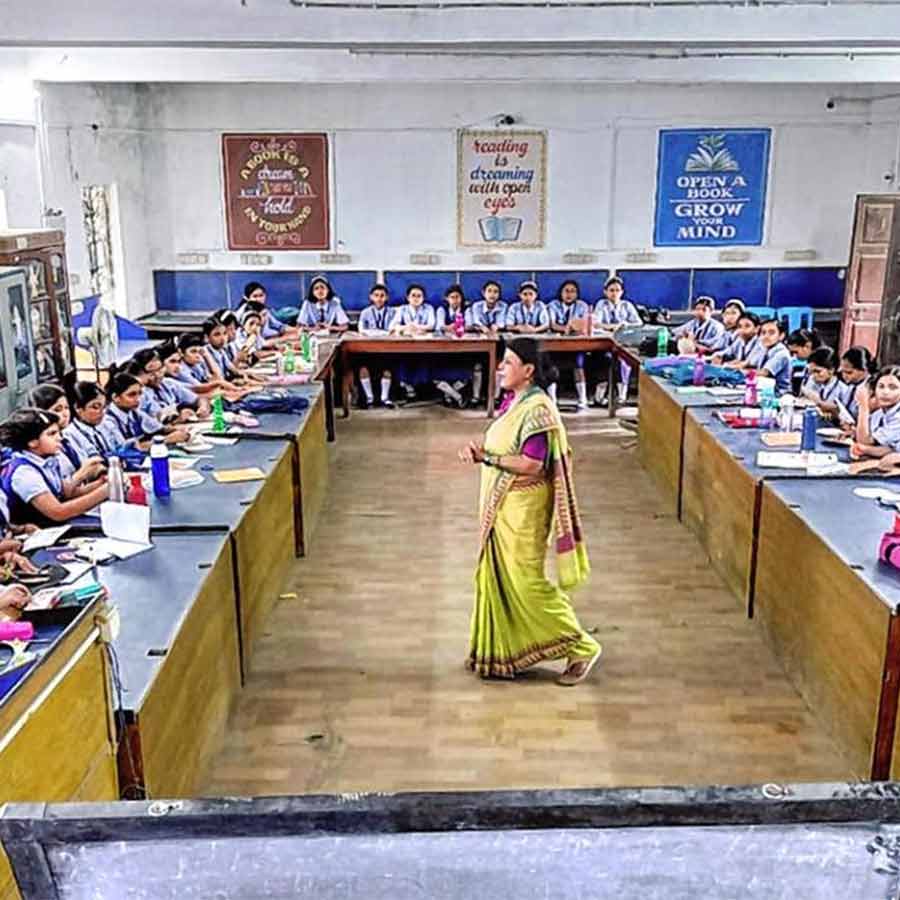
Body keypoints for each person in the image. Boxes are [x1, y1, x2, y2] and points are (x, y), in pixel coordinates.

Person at [457, 337, 601, 687]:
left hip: (524, 508)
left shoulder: (539, 409)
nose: (500, 368)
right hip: (506, 505)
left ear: (528, 370)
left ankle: (581, 645)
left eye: (507, 362)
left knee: (526, 581)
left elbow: (532, 463)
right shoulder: (515, 401)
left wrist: (485, 458)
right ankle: (502, 652)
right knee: (498, 576)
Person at [0, 408, 109, 526]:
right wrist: (105, 491)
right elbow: (58, 512)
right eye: (51, 434)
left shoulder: (47, 460)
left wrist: (102, 483)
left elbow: (67, 492)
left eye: (58, 433)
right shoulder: (24, 473)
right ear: (32, 442)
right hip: (40, 533)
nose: (59, 438)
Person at [26, 384, 106, 484]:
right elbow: (63, 489)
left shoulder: (67, 437)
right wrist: (82, 473)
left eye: (66, 408)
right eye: (57, 410)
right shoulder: (43, 446)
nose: (65, 414)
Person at [101, 373, 188, 451]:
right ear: (115, 397)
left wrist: (179, 430)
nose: (138, 399)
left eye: (139, 393)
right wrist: (167, 439)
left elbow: (158, 428)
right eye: (132, 395)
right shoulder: (108, 421)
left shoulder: (134, 413)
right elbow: (131, 448)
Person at [592, 276, 642, 407]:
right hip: (605, 343)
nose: (614, 293)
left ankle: (622, 396)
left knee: (625, 359)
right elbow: (596, 323)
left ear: (622, 292)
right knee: (603, 359)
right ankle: (599, 396)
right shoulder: (601, 304)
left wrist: (624, 325)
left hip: (624, 343)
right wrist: (612, 327)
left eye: (617, 290)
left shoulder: (627, 305)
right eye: (611, 290)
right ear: (605, 292)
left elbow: (638, 324)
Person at [548, 279, 591, 410]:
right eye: (566, 291)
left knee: (579, 363)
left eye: (573, 291)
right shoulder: (553, 305)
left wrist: (574, 328)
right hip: (556, 344)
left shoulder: (582, 306)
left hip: (576, 344)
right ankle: (552, 400)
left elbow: (584, 325)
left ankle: (582, 399)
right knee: (550, 364)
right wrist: (567, 328)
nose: (569, 294)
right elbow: (552, 324)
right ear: (561, 293)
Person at [390, 284, 436, 402]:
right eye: (413, 295)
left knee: (424, 360)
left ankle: (420, 388)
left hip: (424, 344)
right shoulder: (402, 309)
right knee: (403, 360)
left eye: (419, 296)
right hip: (405, 344)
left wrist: (417, 327)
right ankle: (407, 388)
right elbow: (393, 326)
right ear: (408, 297)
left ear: (423, 298)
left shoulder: (428, 308)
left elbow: (431, 325)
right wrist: (406, 327)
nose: (416, 298)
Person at [355, 282, 396, 409]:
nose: (379, 298)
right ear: (371, 297)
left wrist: (381, 333)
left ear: (387, 297)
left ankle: (385, 398)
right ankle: (369, 398)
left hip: (387, 348)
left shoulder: (393, 312)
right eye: (376, 295)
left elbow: (393, 329)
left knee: (387, 369)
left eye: (382, 295)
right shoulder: (365, 312)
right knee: (363, 368)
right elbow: (361, 329)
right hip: (368, 347)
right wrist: (379, 333)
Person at [433, 284, 474, 409]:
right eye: (452, 297)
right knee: (437, 375)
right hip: (443, 347)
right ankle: (457, 397)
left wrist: (454, 327)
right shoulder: (441, 309)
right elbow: (439, 326)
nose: (455, 300)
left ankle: (448, 396)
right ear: (447, 298)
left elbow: (470, 326)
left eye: (457, 297)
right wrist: (456, 326)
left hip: (462, 348)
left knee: (466, 373)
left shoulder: (466, 309)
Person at [470, 281, 508, 406]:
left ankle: (496, 397)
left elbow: (499, 324)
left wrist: (493, 329)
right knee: (478, 365)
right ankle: (476, 397)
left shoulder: (503, 306)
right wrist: (484, 329)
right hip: (480, 341)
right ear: (483, 293)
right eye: (489, 291)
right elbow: (477, 323)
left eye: (496, 292)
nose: (492, 294)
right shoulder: (476, 306)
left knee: (499, 365)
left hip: (497, 341)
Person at [854, 366, 900, 461]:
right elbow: (889, 448)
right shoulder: (879, 413)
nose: (885, 392)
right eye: (881, 386)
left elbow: (864, 441)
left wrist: (863, 406)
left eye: (893, 388)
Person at [798, 347, 853, 420]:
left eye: (817, 371)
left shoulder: (843, 390)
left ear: (831, 370)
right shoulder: (812, 381)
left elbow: (842, 413)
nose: (814, 375)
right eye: (811, 372)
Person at [66, 381, 115, 460]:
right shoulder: (70, 435)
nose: (102, 412)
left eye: (104, 407)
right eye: (95, 407)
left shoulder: (105, 425)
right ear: (78, 408)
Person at [750, 318, 793, 395]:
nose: (766, 336)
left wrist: (739, 374)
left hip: (779, 394)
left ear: (781, 336)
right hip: (764, 389)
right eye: (763, 333)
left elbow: (764, 373)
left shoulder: (781, 353)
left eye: (771, 333)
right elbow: (751, 364)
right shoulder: (764, 349)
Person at [839, 346, 878, 423]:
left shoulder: (871, 388)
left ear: (864, 370)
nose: (844, 376)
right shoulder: (851, 386)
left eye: (849, 372)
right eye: (842, 372)